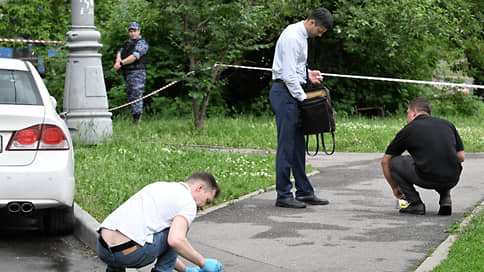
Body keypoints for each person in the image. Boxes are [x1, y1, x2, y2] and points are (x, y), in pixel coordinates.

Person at [270, 7, 334, 208]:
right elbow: (288, 75)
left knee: (298, 146)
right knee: (287, 146)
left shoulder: (302, 36)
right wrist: (304, 98)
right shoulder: (292, 37)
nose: (320, 35)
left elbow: (294, 68)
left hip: (291, 93)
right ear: (312, 22)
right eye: (321, 31)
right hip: (285, 93)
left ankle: (304, 192)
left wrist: (308, 74)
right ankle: (283, 194)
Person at [97, 172, 223, 272]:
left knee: (165, 231)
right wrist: (203, 262)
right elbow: (175, 241)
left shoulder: (158, 186)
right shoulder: (188, 203)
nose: (203, 208)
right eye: (207, 201)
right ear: (200, 188)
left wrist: (186, 270)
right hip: (130, 253)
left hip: (103, 248)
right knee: (179, 232)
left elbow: (160, 246)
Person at [381, 98, 465, 215]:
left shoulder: (409, 130)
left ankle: (415, 203)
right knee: (443, 162)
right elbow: (461, 157)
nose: (407, 118)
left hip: (428, 177)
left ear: (414, 112)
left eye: (407, 113)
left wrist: (395, 187)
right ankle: (446, 200)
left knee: (394, 162)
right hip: (453, 178)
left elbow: (385, 161)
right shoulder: (447, 124)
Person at [114, 22, 149, 124]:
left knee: (136, 96)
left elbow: (134, 57)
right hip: (128, 73)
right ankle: (134, 118)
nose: (132, 33)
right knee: (130, 96)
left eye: (134, 31)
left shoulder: (141, 43)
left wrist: (121, 63)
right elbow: (120, 52)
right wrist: (117, 60)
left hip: (137, 73)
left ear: (139, 31)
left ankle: (137, 120)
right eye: (130, 31)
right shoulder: (127, 43)